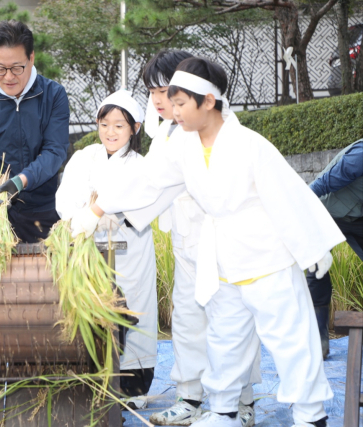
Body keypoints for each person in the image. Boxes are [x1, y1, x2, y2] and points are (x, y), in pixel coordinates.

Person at [72, 57, 344, 427]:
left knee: (291, 338)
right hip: (222, 256)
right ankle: (224, 410)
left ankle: (311, 416)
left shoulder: (250, 145)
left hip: (267, 257)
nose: (174, 111)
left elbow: (288, 193)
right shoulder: (181, 146)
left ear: (208, 101)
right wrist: (98, 209)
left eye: (181, 103)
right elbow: (147, 180)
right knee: (224, 338)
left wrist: (313, 247)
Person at [142, 50, 261, 427]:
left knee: (232, 322)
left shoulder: (223, 127)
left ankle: (241, 402)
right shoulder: (166, 131)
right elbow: (149, 185)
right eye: (153, 93)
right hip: (186, 242)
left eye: (166, 91)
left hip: (224, 244)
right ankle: (190, 396)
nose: (160, 101)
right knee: (188, 319)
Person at [56, 90, 157, 408]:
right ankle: (92, 380)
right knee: (91, 311)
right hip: (89, 251)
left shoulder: (142, 165)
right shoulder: (84, 157)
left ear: (135, 128)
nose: (110, 132)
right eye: (104, 124)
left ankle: (134, 387)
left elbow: (136, 204)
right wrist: (83, 214)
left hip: (132, 251)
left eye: (119, 125)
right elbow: (64, 200)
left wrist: (101, 208)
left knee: (134, 310)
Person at [0, 20, 70, 243]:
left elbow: (54, 151)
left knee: (42, 274)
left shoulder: (53, 95)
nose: (9, 77)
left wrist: (22, 181)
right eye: (0, 68)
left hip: (41, 207)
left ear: (31, 58)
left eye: (17, 67)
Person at [306, 138, 363, 359]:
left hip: (356, 215)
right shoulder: (359, 157)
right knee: (317, 271)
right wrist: (300, 205)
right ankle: (319, 343)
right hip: (325, 211)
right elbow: (323, 184)